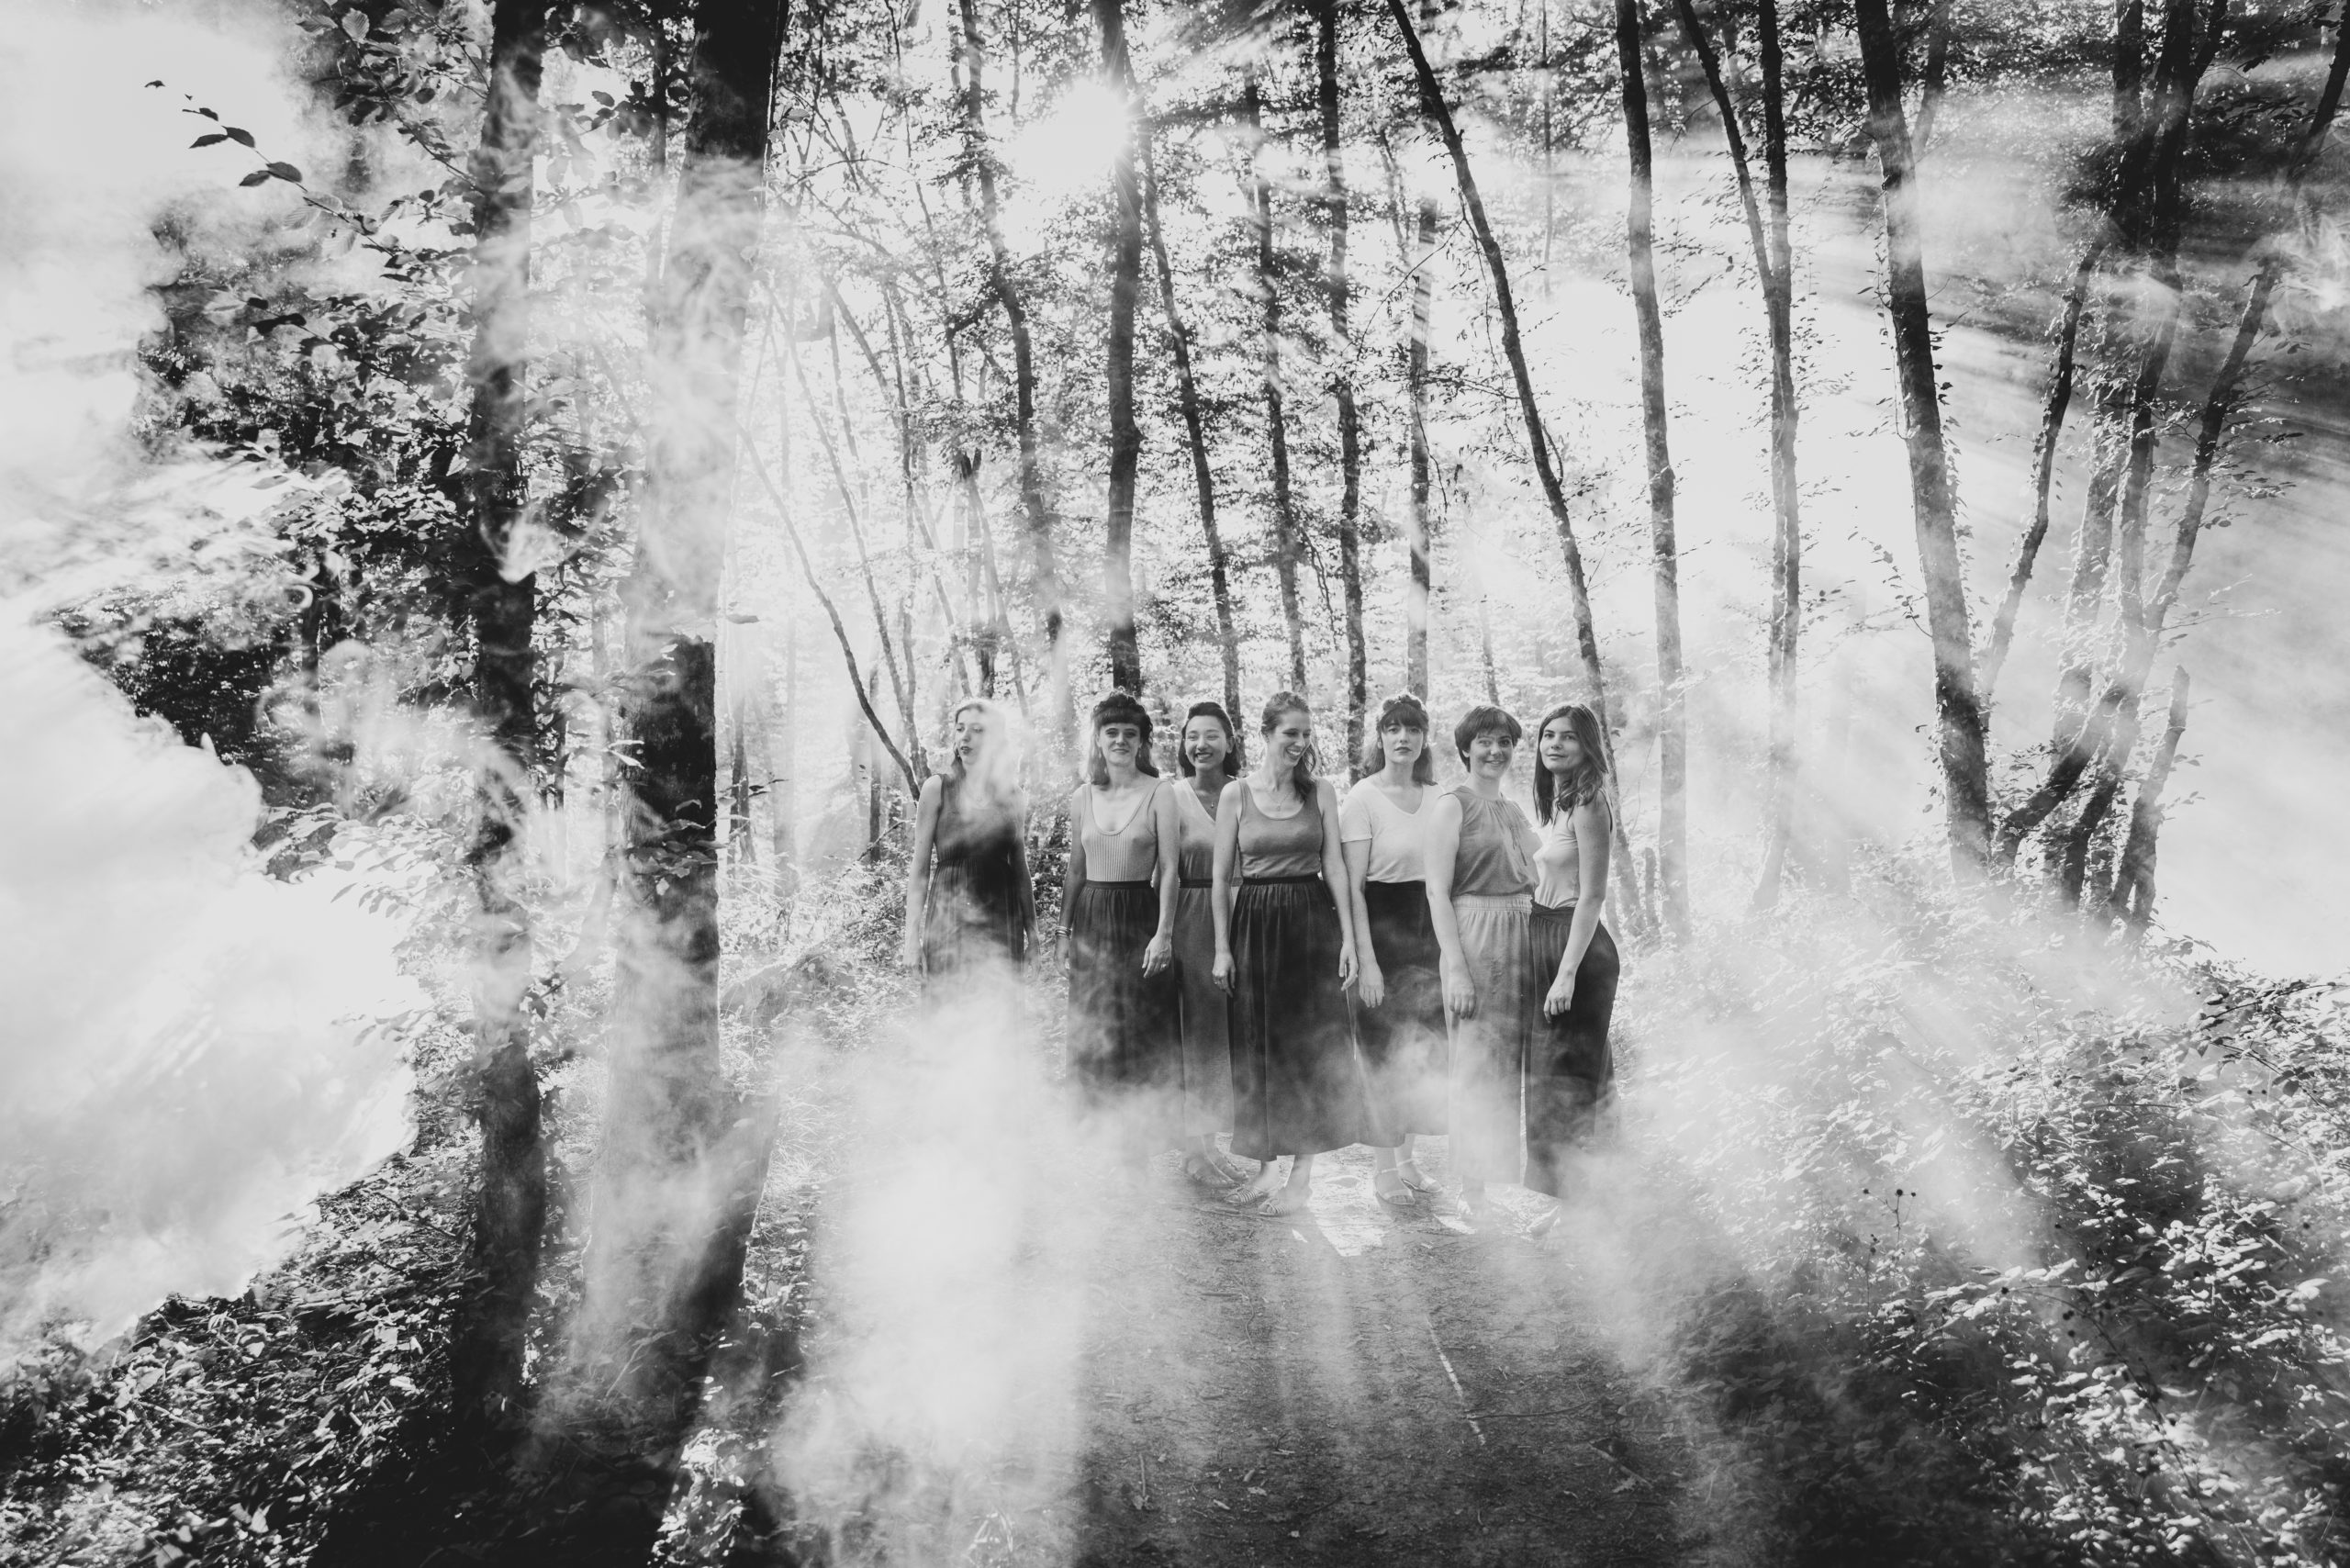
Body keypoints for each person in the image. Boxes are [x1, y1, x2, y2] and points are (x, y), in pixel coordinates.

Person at [1212, 692, 1382, 1215]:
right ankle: (1266, 1170)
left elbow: (1336, 868)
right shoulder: (1235, 795)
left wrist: (1349, 939)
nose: (1300, 743)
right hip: (1255, 926)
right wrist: (1222, 949)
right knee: (1259, 1045)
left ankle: (1301, 1178)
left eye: (1306, 734)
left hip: (1311, 924)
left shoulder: (1322, 792)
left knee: (1309, 1048)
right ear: (1265, 734)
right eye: (1291, 733)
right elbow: (1221, 880)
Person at [1424, 703, 1539, 1221]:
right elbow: (1436, 891)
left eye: (1505, 742)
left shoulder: (1514, 810)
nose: (1496, 751)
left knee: (1506, 1064)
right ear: (1466, 749)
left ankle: (1494, 1177)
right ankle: (1471, 1190)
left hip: (1521, 934)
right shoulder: (1453, 806)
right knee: (1475, 1062)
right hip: (1476, 932)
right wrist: (1456, 968)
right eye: (1485, 742)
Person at [1062, 691, 1182, 1145]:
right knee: (1095, 1023)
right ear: (1097, 739)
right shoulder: (1082, 797)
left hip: (1139, 918)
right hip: (1091, 920)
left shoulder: (1160, 792)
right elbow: (1076, 870)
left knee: (1138, 1025)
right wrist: (1063, 932)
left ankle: (1139, 1140)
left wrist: (1163, 934)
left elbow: (1170, 869)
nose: (1120, 740)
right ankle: (1100, 1138)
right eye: (1111, 732)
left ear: (1141, 742)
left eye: (1130, 734)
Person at [1341, 694, 1447, 1205]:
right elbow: (1353, 888)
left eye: (1412, 729)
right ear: (1379, 737)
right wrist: (1367, 962)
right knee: (1382, 1054)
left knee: (1419, 1052)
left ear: (1425, 737)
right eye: (1392, 729)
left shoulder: (1440, 797)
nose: (1403, 738)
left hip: (1430, 931)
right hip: (1381, 930)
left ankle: (1407, 1162)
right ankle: (1383, 1169)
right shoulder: (1362, 798)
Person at [1525, 703, 1620, 1236]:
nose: (1554, 744)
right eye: (1547, 735)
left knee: (1573, 1081)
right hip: (1548, 939)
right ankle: (1574, 1201)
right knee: (1552, 1079)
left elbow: (1592, 896)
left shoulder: (1588, 803)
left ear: (1587, 746)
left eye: (1567, 737)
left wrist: (1566, 974)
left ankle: (1582, 1208)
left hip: (1576, 950)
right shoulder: (1558, 802)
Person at [1170, 700, 1249, 1187]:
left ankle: (1213, 1145)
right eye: (1192, 736)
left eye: (1212, 735)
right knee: (1199, 1033)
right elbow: (1161, 872)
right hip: (1193, 918)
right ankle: (1194, 1152)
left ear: (1230, 741)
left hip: (1246, 916)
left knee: (1231, 1036)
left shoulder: (1246, 792)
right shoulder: (1172, 796)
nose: (1201, 745)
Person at [903, 698, 1035, 986]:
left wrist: (1033, 937)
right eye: (960, 728)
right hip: (947, 919)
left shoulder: (1013, 796)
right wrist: (911, 937)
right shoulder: (937, 788)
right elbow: (920, 869)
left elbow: (1020, 870)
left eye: (977, 730)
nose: (965, 736)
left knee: (997, 1007)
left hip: (1002, 919)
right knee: (949, 1007)